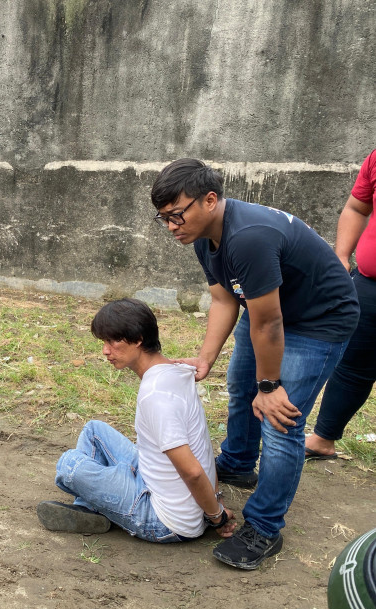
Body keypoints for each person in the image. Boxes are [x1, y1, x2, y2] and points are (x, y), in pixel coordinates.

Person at [151, 158, 359, 569]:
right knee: (239, 383)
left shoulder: (248, 237)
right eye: (163, 219)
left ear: (210, 200)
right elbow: (226, 298)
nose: (172, 226)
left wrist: (270, 386)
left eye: (177, 215)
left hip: (320, 320)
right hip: (275, 314)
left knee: (281, 420)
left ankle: (265, 526)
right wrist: (206, 358)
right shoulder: (202, 236)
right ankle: (240, 462)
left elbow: (269, 322)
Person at [38, 299, 236, 543]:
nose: (105, 351)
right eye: (104, 342)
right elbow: (202, 444)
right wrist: (215, 499)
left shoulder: (155, 396)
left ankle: (95, 505)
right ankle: (89, 507)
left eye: (113, 341)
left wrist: (217, 517)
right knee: (94, 431)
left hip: (164, 520)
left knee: (69, 465)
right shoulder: (177, 371)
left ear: (139, 338)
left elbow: (193, 471)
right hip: (161, 483)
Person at [303, 151, 376, 460]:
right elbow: (357, 207)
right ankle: (323, 439)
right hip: (369, 285)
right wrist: (342, 256)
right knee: (352, 365)